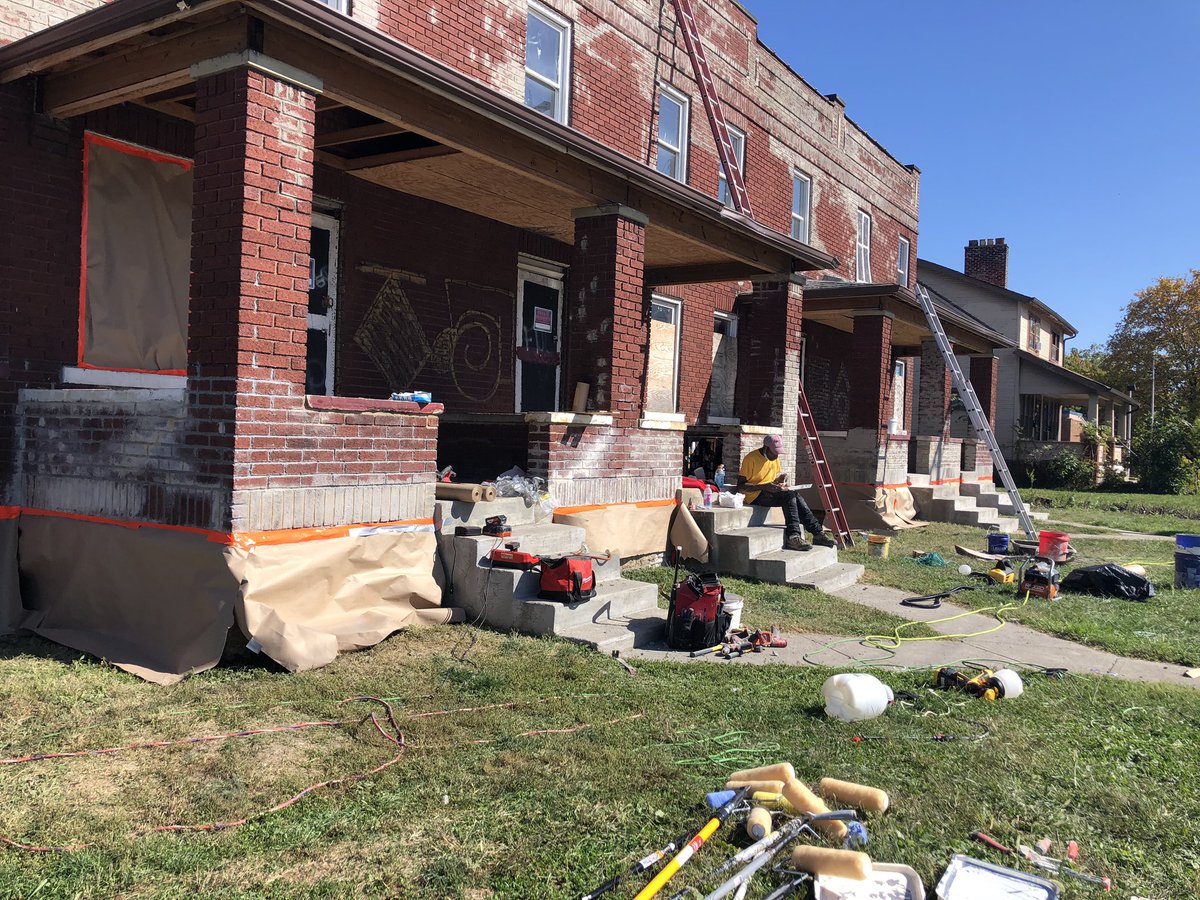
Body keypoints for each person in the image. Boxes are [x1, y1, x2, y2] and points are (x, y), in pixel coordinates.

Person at [736, 434, 834, 551]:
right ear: (766, 448)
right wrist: (764, 487)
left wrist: (779, 480)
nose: (776, 455)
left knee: (794, 495)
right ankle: (794, 536)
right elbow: (740, 487)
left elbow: (770, 480)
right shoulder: (750, 458)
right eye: (774, 452)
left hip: (769, 491)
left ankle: (817, 532)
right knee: (790, 496)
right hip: (754, 496)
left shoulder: (775, 459)